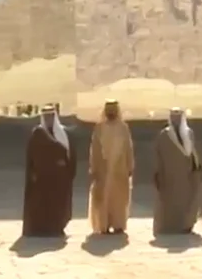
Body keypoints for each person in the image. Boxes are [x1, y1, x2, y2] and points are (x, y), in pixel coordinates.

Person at [22, 105, 76, 237]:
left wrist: (68, 171)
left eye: (51, 117)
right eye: (46, 117)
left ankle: (57, 227)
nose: (49, 119)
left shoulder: (63, 133)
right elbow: (32, 156)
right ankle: (41, 229)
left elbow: (70, 154)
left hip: (59, 178)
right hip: (42, 178)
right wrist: (33, 173)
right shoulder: (38, 134)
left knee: (59, 204)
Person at [153, 107, 202, 235]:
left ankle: (186, 225)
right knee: (170, 202)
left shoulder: (189, 133)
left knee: (188, 201)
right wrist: (158, 174)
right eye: (173, 117)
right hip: (170, 175)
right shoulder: (164, 135)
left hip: (187, 175)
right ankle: (171, 225)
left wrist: (197, 169)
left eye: (178, 118)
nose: (175, 120)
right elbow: (159, 156)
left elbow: (192, 153)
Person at [88, 100, 135, 235]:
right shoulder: (99, 128)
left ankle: (119, 224)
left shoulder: (123, 128)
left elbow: (128, 148)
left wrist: (130, 166)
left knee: (119, 200)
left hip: (120, 170)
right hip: (103, 170)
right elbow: (94, 150)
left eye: (113, 110)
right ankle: (104, 225)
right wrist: (94, 168)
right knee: (103, 199)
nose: (111, 113)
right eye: (109, 110)